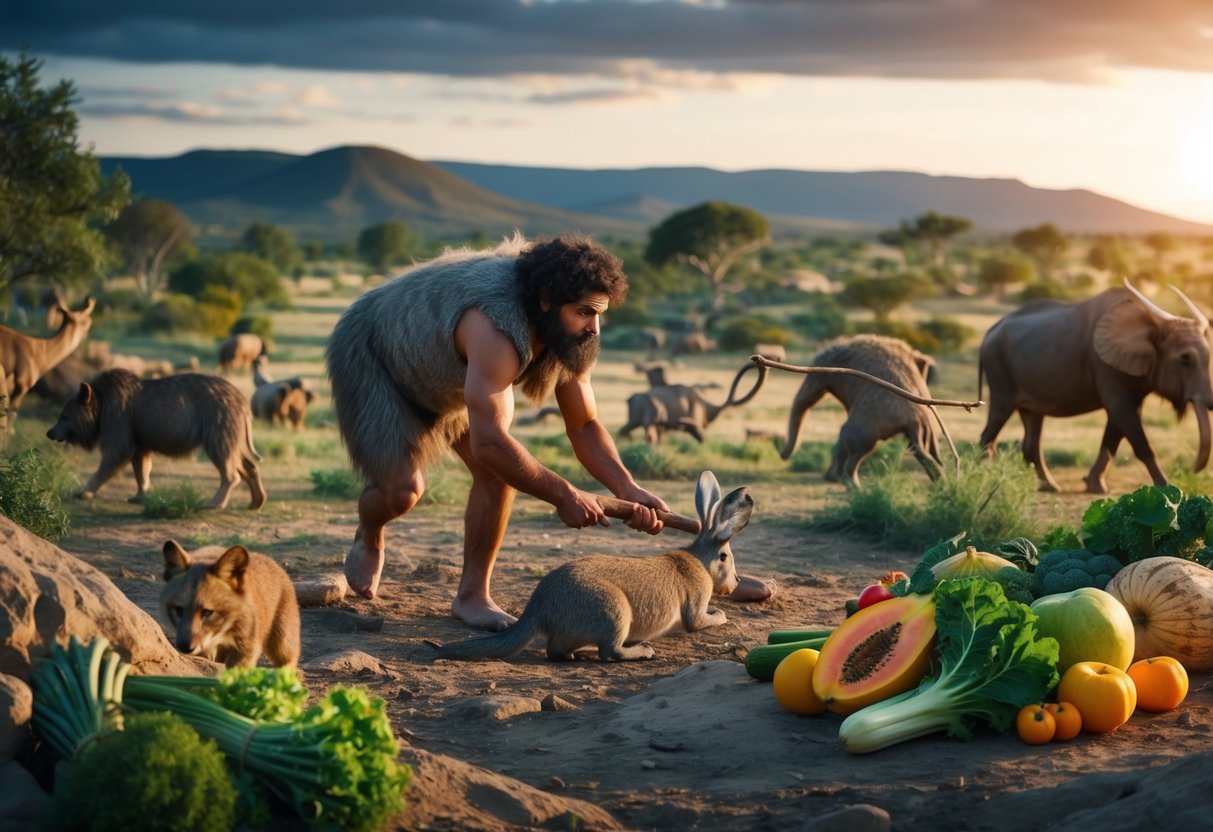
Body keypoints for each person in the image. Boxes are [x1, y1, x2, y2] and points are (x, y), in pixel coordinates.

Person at [325, 233, 774, 630]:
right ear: (545, 302)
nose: (594, 327)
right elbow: (491, 443)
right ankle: (370, 534)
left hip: (451, 375)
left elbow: (585, 424)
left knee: (498, 473)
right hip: (378, 356)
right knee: (404, 490)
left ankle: (470, 597)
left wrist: (627, 487)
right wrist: (564, 494)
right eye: (584, 313)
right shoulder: (496, 327)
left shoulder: (570, 335)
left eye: (600, 314)